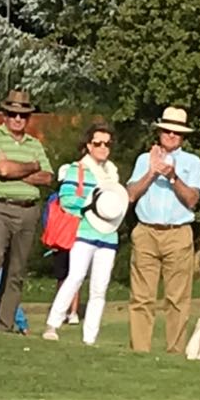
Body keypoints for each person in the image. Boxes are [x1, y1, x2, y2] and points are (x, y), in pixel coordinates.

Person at [0, 89, 52, 333]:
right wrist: (31, 167)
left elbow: (47, 177)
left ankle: (5, 324)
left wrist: (16, 171)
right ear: (4, 115)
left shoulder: (34, 143)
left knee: (17, 269)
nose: (18, 119)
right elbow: (2, 170)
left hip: (28, 209)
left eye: (23, 115)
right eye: (13, 114)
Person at [126, 106, 200, 353]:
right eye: (167, 131)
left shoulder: (192, 162)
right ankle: (140, 351)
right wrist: (152, 172)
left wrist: (172, 176)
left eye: (176, 132)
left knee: (177, 298)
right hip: (146, 231)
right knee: (141, 297)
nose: (171, 135)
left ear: (183, 137)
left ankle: (175, 351)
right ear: (159, 132)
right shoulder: (143, 159)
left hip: (177, 232)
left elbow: (192, 199)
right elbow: (130, 195)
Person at [43, 123, 127, 345]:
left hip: (108, 234)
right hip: (84, 231)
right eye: (98, 143)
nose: (103, 147)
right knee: (75, 277)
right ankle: (53, 323)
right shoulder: (78, 169)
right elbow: (67, 199)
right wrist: (90, 206)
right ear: (89, 146)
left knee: (100, 288)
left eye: (107, 144)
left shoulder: (112, 173)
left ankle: (90, 337)